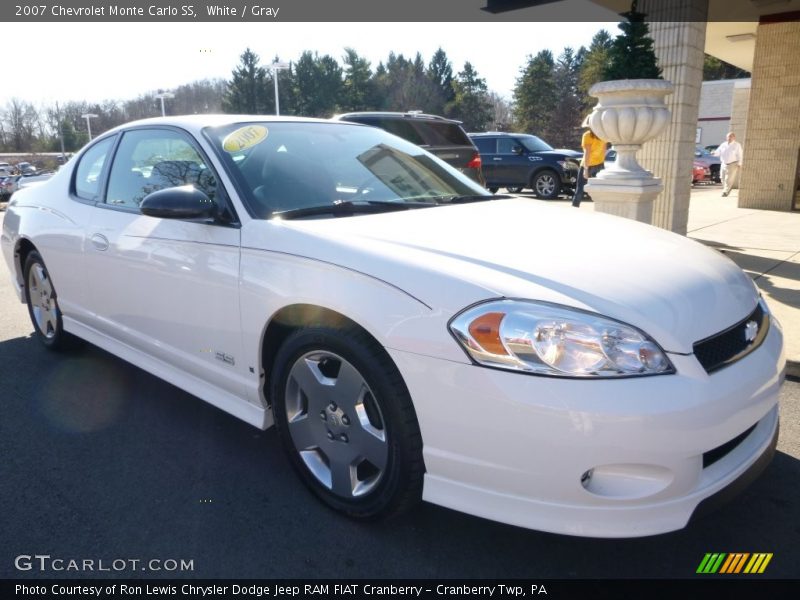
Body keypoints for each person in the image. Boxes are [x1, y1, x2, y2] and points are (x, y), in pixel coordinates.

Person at [572, 119, 606, 207]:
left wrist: (585, 169)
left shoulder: (587, 135)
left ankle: (574, 209)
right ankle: (600, 208)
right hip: (600, 164)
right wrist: (602, 164)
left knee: (580, 189)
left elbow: (587, 153)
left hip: (587, 165)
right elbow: (603, 151)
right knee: (599, 189)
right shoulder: (603, 136)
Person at [714, 132, 743, 197]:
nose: (729, 138)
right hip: (724, 164)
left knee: (728, 179)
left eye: (731, 136)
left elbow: (740, 154)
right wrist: (714, 153)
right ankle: (727, 189)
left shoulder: (737, 145)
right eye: (728, 137)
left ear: (734, 137)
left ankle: (725, 191)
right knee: (722, 177)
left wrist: (740, 163)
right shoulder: (723, 144)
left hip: (733, 164)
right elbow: (718, 152)